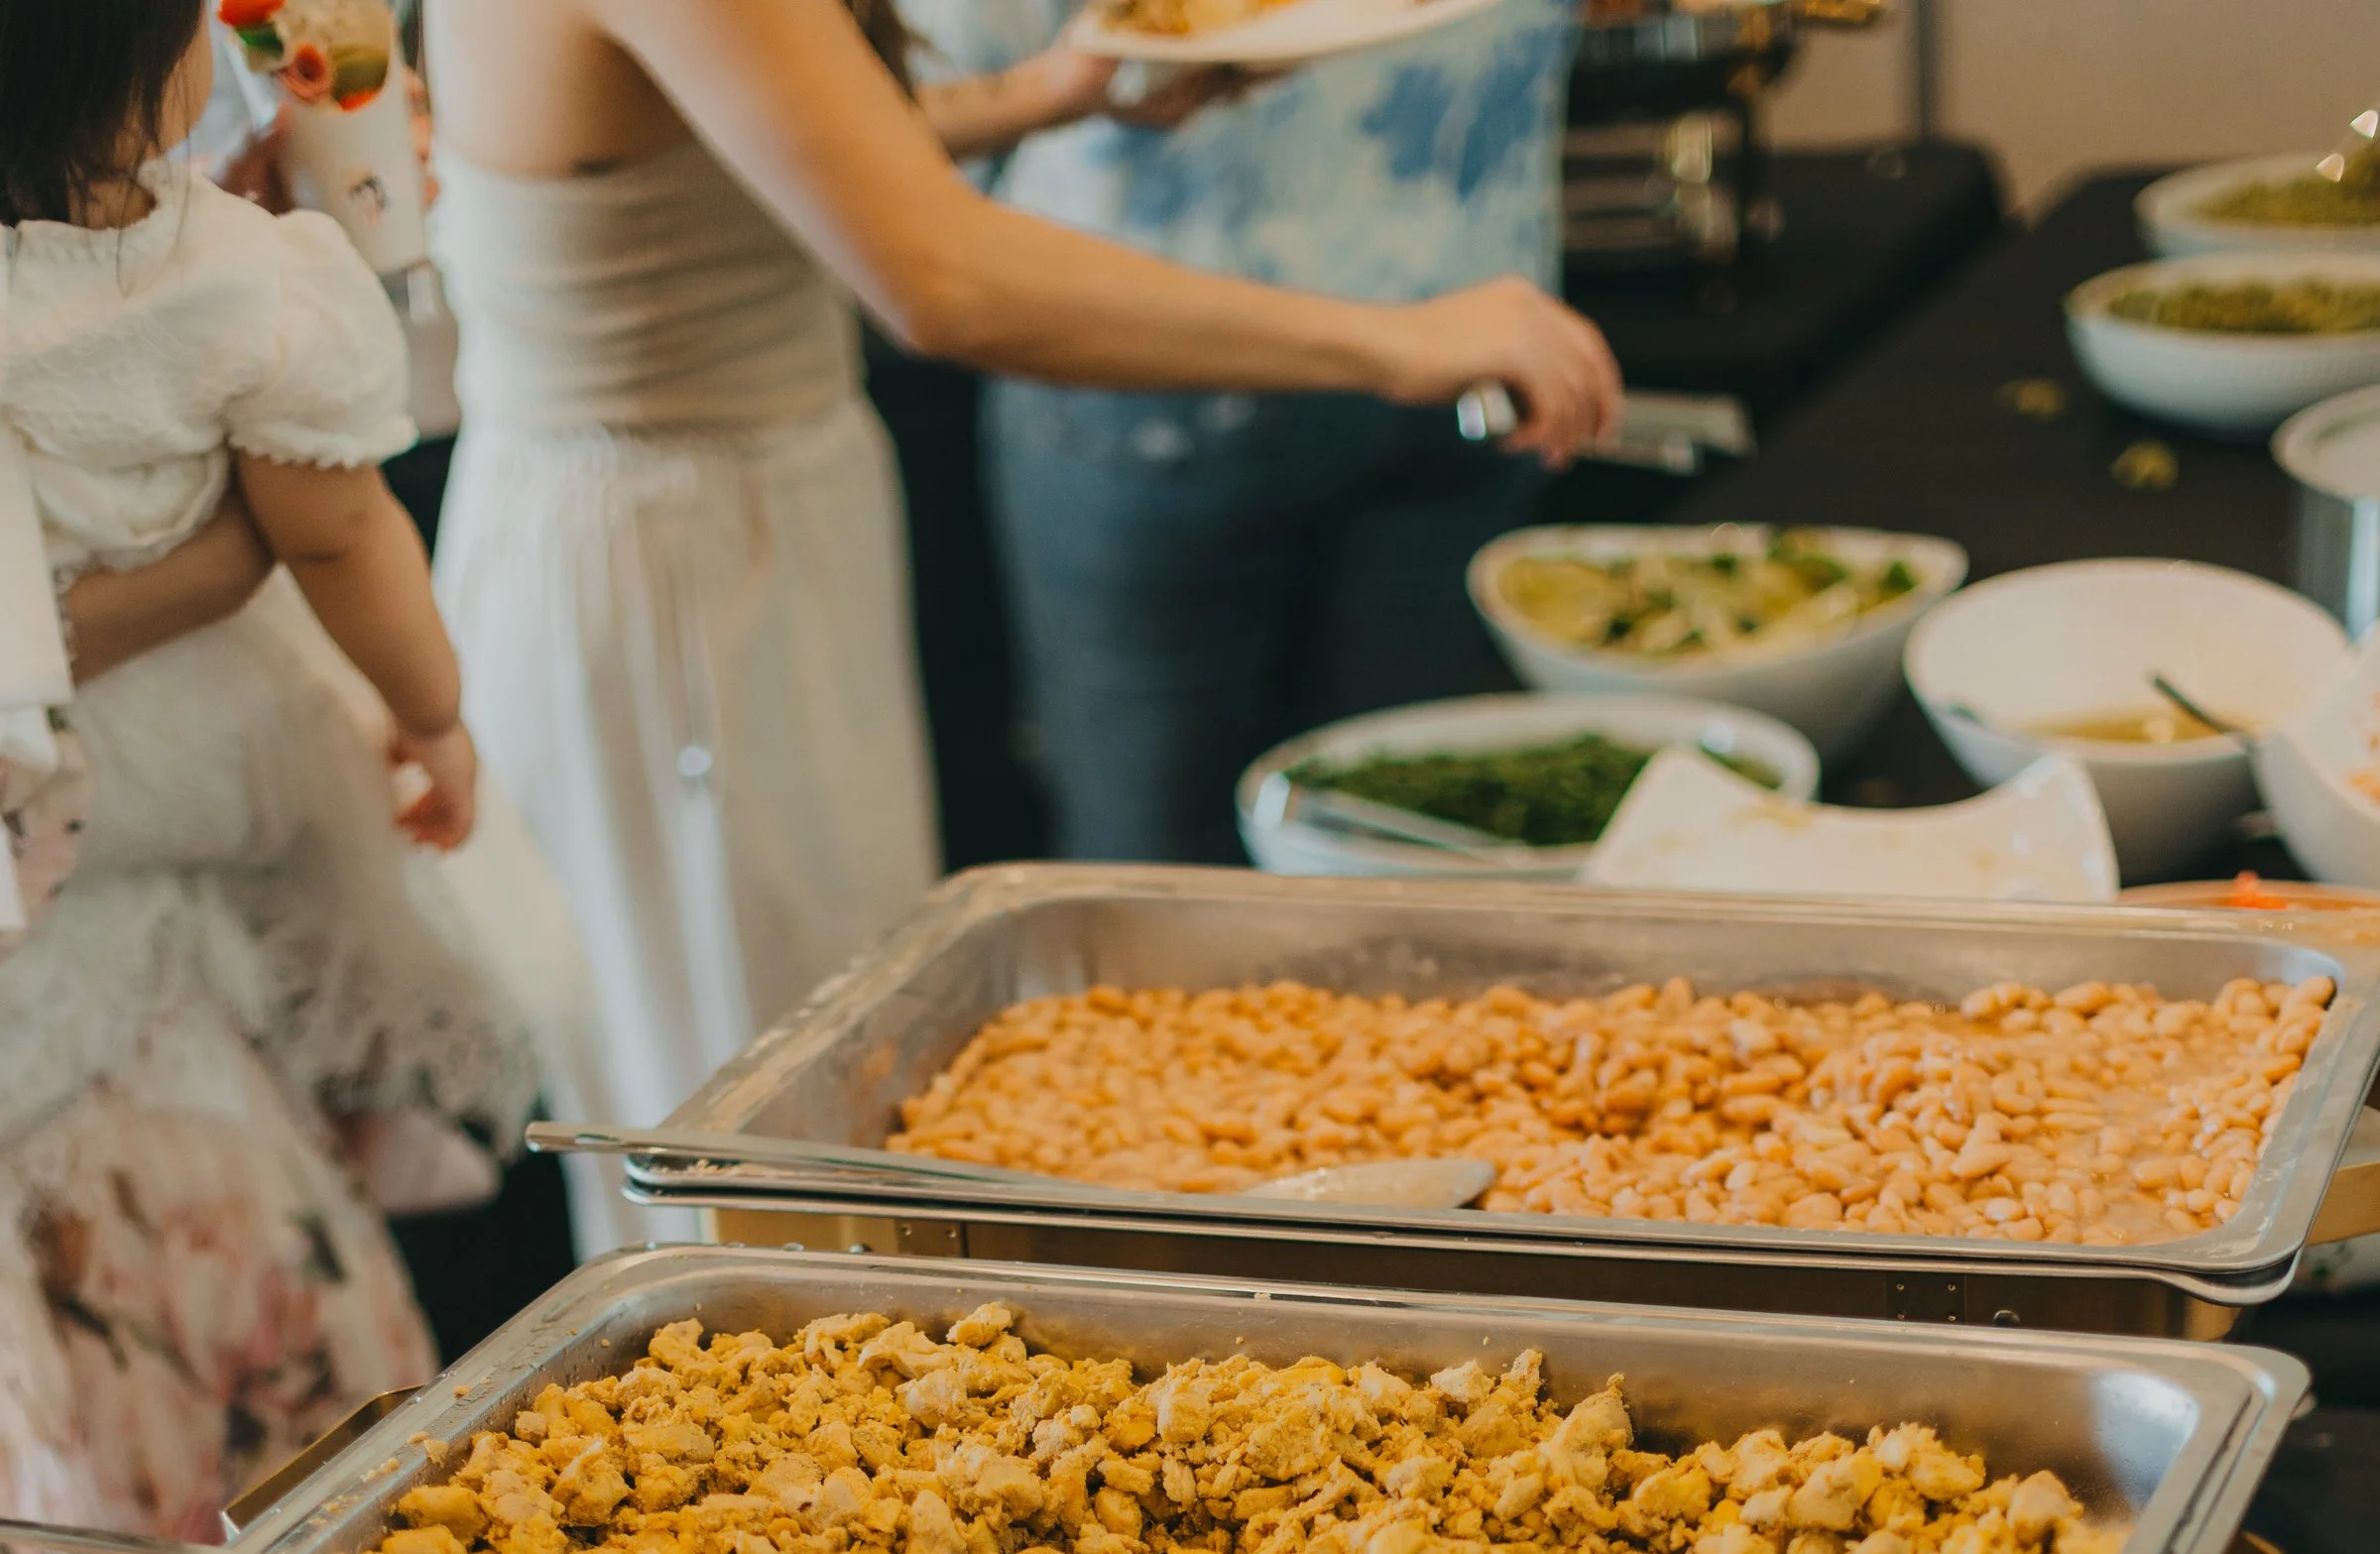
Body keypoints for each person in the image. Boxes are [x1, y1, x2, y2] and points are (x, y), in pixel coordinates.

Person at [421, 0, 1614, 1175]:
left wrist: (1051, 94)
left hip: (740, 520)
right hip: (671, 568)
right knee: (769, 1106)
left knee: (821, 1073)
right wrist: (1399, 342)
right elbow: (942, 278)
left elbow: (784, 131)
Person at [0, 0, 539, 1554]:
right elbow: (341, 534)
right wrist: (438, 715)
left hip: (77, 874)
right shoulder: (243, 285)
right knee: (296, 1414)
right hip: (175, 866)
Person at [910, 0, 1588, 861]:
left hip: (1477, 344)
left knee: (1407, 855)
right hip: (1149, 367)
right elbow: (889, 146)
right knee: (1166, 883)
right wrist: (1066, 85)